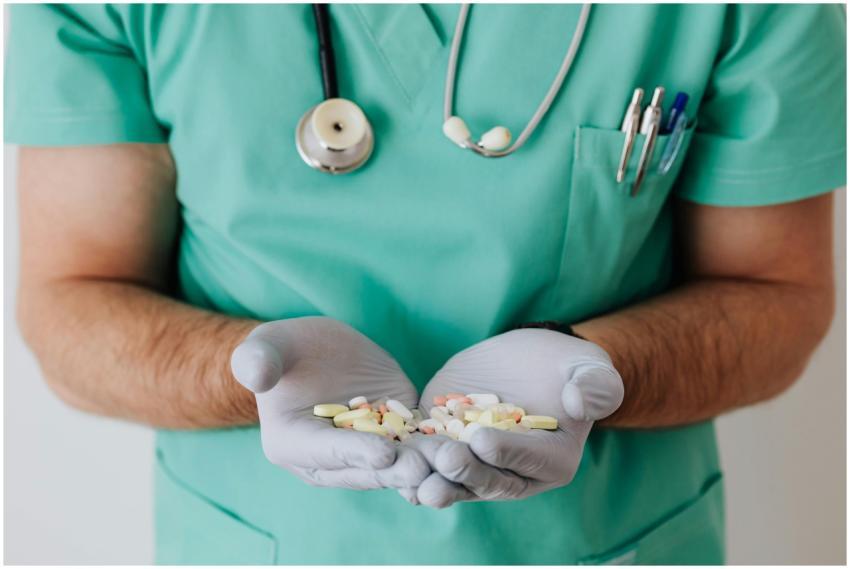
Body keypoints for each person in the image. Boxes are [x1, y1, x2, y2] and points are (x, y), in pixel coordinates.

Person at [6, 3, 845, 564]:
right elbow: (73, 293)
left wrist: (598, 369)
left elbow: (775, 289)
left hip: (603, 537)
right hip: (262, 540)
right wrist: (244, 372)